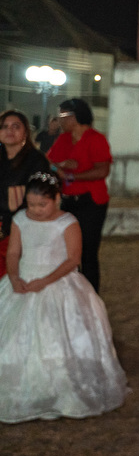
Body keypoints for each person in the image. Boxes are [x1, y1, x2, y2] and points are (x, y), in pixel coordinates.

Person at [0, 172, 126, 423]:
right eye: (31, 204)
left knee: (58, 336)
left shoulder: (67, 223)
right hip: (23, 281)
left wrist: (45, 282)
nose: (35, 210)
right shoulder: (21, 220)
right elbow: (13, 252)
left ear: (57, 198)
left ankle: (61, 390)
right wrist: (14, 278)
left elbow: (72, 259)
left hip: (57, 283)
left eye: (42, 205)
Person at [46, 99, 111, 292]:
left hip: (91, 201)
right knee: (66, 251)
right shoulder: (64, 139)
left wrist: (72, 175)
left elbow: (102, 171)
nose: (58, 121)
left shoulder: (95, 139)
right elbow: (48, 162)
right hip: (68, 200)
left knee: (88, 252)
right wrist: (61, 167)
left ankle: (91, 298)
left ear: (74, 117)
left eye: (62, 116)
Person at [1, 110, 52, 278]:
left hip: (24, 229)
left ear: (25, 132)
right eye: (4, 127)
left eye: (16, 127)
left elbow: (42, 195)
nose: (9, 131)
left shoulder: (36, 160)